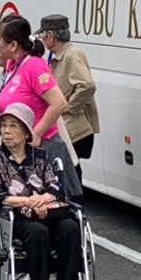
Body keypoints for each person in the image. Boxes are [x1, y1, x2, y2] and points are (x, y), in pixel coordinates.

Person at [0, 103, 83, 280]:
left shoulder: (40, 156)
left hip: (48, 210)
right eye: (4, 126)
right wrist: (28, 202)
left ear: (26, 131)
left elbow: (55, 186)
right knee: (37, 232)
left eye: (13, 126)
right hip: (18, 216)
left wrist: (42, 199)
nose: (7, 131)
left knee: (71, 228)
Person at [0, 14, 81, 200]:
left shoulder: (34, 66)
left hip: (43, 147)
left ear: (13, 45)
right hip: (18, 148)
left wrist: (37, 133)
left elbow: (59, 103)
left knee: (50, 204)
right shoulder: (12, 64)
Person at [37, 14, 100, 180]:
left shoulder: (71, 55)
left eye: (43, 35)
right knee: (65, 169)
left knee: (69, 171)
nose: (42, 40)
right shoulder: (59, 55)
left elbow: (87, 85)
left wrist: (69, 107)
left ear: (51, 36)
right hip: (67, 126)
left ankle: (74, 205)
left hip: (74, 128)